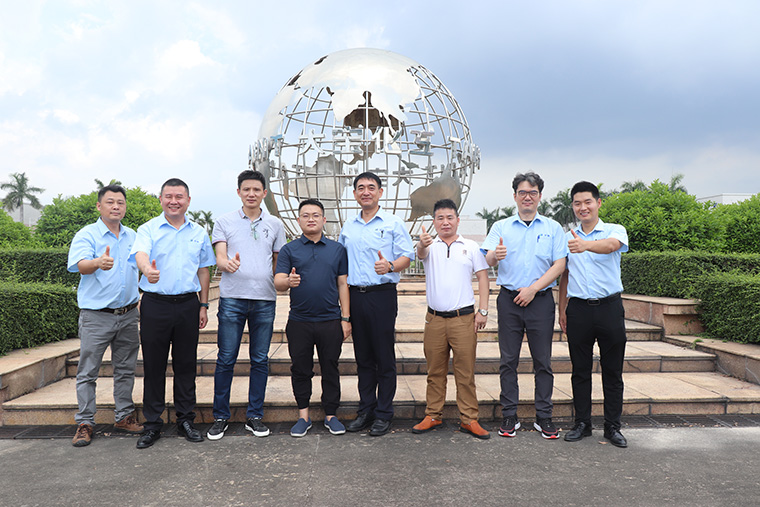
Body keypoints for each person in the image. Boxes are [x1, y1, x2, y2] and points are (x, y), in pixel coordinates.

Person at [481, 171, 568, 439]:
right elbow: (488, 259)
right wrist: (495, 255)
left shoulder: (552, 228)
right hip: (509, 301)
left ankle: (544, 417)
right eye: (522, 192)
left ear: (540, 196)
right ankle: (509, 415)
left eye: (532, 192)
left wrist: (533, 289)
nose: (527, 197)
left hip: (540, 301)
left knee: (543, 361)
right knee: (508, 361)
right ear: (515, 196)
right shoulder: (501, 227)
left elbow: (560, 265)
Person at [130, 178, 215, 449]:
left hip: (188, 304)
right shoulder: (148, 229)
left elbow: (204, 269)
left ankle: (185, 419)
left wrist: (203, 305)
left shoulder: (198, 232)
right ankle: (152, 424)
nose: (174, 201)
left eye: (179, 197)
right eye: (169, 196)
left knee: (186, 365)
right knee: (153, 366)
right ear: (161, 199)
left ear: (188, 201)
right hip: (155, 304)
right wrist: (147, 270)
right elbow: (140, 254)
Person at [206, 170, 286, 441]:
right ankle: (220, 417)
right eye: (246, 189)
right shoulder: (224, 221)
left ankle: (255, 416)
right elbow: (220, 256)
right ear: (238, 192)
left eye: (256, 190)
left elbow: (278, 262)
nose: (251, 194)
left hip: (264, 300)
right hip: (232, 299)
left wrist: (284, 281)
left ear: (264, 193)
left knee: (260, 359)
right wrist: (226, 263)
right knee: (226, 358)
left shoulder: (275, 224)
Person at [338, 172, 414, 436]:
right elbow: (341, 263)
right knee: (363, 358)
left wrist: (390, 265)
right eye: (361, 188)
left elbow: (407, 256)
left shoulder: (393, 223)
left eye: (371, 187)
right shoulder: (348, 226)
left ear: (380, 192)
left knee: (384, 357)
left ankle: (384, 413)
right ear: (354, 194)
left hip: (382, 295)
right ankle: (366, 410)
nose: (366, 192)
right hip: (356, 296)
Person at [68, 184, 143, 447]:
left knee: (125, 369)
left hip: (128, 314)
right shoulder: (87, 234)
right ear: (99, 206)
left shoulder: (133, 236)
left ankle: (124, 416)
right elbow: (80, 265)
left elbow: (142, 266)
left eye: (120, 202)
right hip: (96, 316)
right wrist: (97, 263)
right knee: (88, 371)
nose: (116, 207)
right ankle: (85, 422)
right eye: (110, 202)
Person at [412, 199, 491, 439]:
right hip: (434, 319)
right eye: (440, 218)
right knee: (434, 372)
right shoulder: (430, 246)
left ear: (457, 220)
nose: (445, 222)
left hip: (463, 319)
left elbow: (483, 277)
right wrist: (421, 243)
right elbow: (420, 253)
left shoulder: (471, 247)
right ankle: (433, 415)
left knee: (465, 372)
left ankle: (469, 419)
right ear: (434, 222)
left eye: (449, 217)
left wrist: (483, 310)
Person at [558, 181, 629, 448]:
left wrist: (585, 245)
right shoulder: (566, 237)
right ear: (573, 206)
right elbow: (564, 275)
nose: (583, 207)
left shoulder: (614, 230)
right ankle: (582, 424)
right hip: (578, 310)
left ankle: (612, 427)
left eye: (587, 202)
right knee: (580, 370)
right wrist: (562, 310)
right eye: (577, 203)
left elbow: (611, 246)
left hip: (610, 308)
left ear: (598, 203)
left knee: (613, 371)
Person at [274, 199, 351, 437]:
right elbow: (278, 282)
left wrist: (346, 318)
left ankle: (331, 415)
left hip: (330, 320)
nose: (311, 219)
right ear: (298, 220)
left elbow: (342, 284)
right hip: (299, 321)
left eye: (316, 215)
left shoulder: (337, 249)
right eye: (305, 215)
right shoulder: (289, 250)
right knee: (300, 369)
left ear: (324, 220)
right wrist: (288, 281)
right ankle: (303, 416)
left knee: (330, 367)